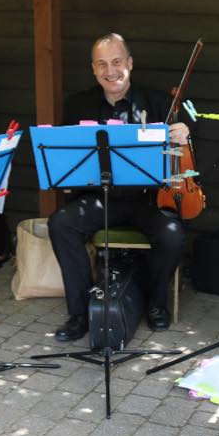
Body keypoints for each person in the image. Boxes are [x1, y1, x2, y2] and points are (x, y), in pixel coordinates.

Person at [48, 33, 189, 338]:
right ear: (93, 69)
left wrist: (184, 135)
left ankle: (154, 303)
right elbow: (67, 161)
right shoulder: (77, 105)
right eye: (102, 64)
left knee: (173, 235)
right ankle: (80, 313)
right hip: (99, 198)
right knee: (61, 223)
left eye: (116, 62)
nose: (110, 71)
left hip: (147, 199)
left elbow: (184, 160)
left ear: (130, 63)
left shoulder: (160, 103)